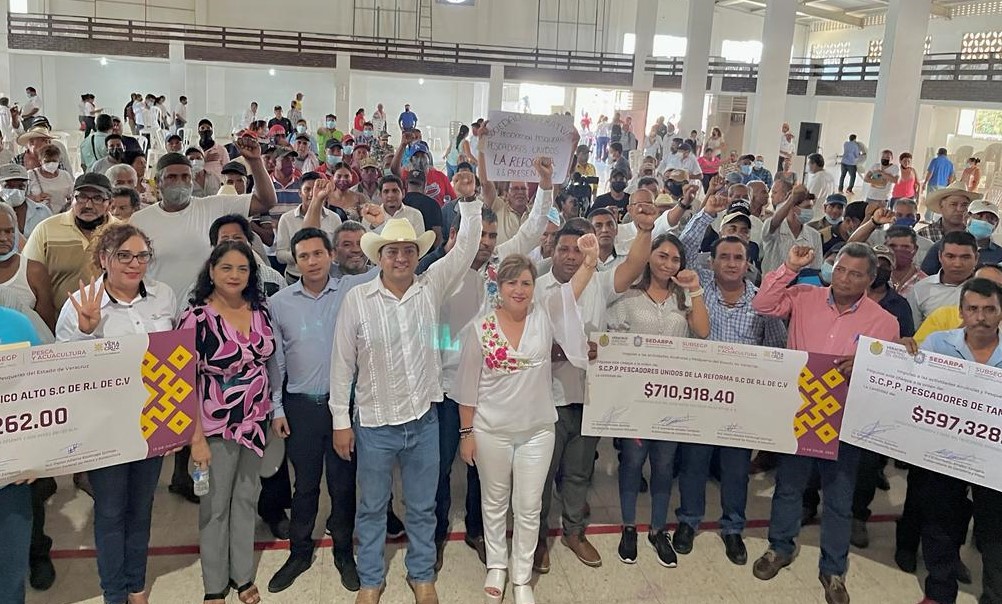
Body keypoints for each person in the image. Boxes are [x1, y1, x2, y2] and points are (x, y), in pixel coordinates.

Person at [329, 192, 485, 604]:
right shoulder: (357, 300)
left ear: (418, 255)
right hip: (374, 425)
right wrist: (340, 422)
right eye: (392, 251)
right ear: (379, 257)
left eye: (409, 251)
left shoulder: (431, 287)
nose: (401, 258)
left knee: (421, 505)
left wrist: (470, 203)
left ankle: (421, 574)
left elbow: (466, 248)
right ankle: (371, 579)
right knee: (372, 506)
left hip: (422, 422)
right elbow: (342, 365)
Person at [750, 242, 898, 604]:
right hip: (800, 411)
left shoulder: (884, 322)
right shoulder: (804, 296)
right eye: (840, 269)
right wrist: (788, 267)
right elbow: (763, 304)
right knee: (789, 487)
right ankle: (779, 547)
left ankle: (833, 569)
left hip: (844, 420)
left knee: (839, 499)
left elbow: (888, 377)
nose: (844, 278)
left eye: (855, 274)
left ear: (870, 279)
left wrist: (867, 365)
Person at [455, 244, 596, 604]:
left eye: (526, 283)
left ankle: (520, 575)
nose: (519, 290)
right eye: (512, 283)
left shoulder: (545, 316)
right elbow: (467, 388)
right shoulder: (481, 329)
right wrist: (467, 434)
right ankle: (496, 566)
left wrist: (591, 260)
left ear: (535, 287)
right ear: (499, 288)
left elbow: (573, 289)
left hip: (537, 432)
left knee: (529, 506)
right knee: (494, 502)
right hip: (491, 432)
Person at [534, 192, 657, 573]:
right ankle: (537, 539)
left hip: (589, 398)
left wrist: (645, 229)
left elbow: (635, 264)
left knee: (579, 473)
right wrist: (559, 351)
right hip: (546, 400)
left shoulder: (599, 283)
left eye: (579, 249)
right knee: (541, 477)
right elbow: (523, 342)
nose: (571, 256)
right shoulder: (535, 288)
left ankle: (574, 532)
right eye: (564, 249)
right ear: (552, 251)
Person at [265, 219, 387, 594]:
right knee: (304, 485)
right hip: (299, 407)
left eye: (318, 253)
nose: (312, 261)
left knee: (342, 484)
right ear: (295, 261)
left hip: (341, 408)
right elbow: (276, 361)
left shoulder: (351, 289)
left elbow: (386, 261)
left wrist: (379, 225)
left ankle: (344, 553)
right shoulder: (279, 303)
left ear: (331, 255)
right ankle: (299, 552)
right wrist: (277, 407)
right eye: (304, 256)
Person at [56, 224, 176, 604]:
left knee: (141, 508)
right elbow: (65, 373)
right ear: (103, 259)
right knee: (110, 511)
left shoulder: (163, 296)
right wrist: (87, 332)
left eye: (142, 256)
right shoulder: (81, 304)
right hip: (105, 427)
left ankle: (136, 585)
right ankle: (114, 592)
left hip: (152, 421)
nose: (134, 264)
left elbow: (174, 358)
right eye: (124, 255)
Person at [673, 194, 787, 565]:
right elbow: (684, 248)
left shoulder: (762, 302)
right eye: (724, 256)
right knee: (694, 463)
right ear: (713, 261)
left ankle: (733, 528)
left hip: (741, 404)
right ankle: (688, 520)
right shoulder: (699, 286)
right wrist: (707, 212)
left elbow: (777, 350)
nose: (732, 263)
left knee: (736, 470)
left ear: (748, 262)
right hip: (700, 395)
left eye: (739, 257)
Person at [180, 241, 276, 604]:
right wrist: (196, 439)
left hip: (256, 422)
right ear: (211, 271)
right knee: (215, 506)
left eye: (242, 269)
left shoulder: (260, 310)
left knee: (247, 499)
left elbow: (269, 363)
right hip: (214, 427)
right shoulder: (196, 318)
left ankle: (243, 575)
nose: (235, 275)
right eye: (226, 268)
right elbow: (184, 381)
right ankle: (215, 585)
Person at [608, 232, 709, 568]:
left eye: (675, 259)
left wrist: (694, 289)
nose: (668, 264)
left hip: (671, 400)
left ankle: (657, 529)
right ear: (649, 257)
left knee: (664, 465)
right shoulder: (628, 296)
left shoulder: (684, 298)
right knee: (633, 461)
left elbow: (703, 332)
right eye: (662, 256)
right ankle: (628, 527)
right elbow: (611, 341)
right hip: (635, 399)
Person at [911, 277, 1002, 604]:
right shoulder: (937, 343)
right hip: (944, 450)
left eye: (989, 309)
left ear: (1001, 313)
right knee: (940, 521)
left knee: (995, 531)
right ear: (961, 312)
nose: (981, 317)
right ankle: (939, 591)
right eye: (973, 309)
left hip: (995, 457)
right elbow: (912, 386)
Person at [24, 173, 115, 310]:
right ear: (72, 199)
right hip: (59, 319)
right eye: (82, 197)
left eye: (97, 198)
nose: (88, 205)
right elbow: (29, 276)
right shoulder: (47, 229)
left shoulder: (122, 232)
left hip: (112, 318)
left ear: (110, 203)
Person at [0, 305, 41, 604]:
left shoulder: (17, 324)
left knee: (11, 581)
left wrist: (36, 452)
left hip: (11, 482)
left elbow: (45, 394)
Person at [276, 173, 343, 283]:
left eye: (316, 189)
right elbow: (280, 255)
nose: (312, 194)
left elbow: (338, 250)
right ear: (300, 193)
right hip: (294, 277)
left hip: (326, 277)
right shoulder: (286, 219)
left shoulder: (334, 218)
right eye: (307, 189)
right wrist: (301, 255)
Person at [907, 230, 980, 329]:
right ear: (940, 257)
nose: (957, 264)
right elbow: (912, 332)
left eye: (965, 257)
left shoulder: (989, 289)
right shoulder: (920, 290)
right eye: (950, 256)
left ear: (976, 258)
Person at [922, 199, 1002, 275]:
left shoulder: (999, 254)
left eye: (991, 218)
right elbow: (925, 277)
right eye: (979, 216)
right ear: (966, 218)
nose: (984, 221)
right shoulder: (942, 246)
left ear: (996, 225)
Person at [762, 184, 823, 274]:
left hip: (801, 282)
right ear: (793, 207)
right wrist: (792, 199)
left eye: (811, 207)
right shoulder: (775, 228)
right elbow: (774, 223)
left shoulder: (815, 236)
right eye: (807, 208)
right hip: (774, 282)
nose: (810, 212)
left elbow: (816, 269)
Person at [3, 163, 53, 239]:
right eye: (9, 186)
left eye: (21, 186)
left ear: (27, 188)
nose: (15, 191)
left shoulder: (43, 211)